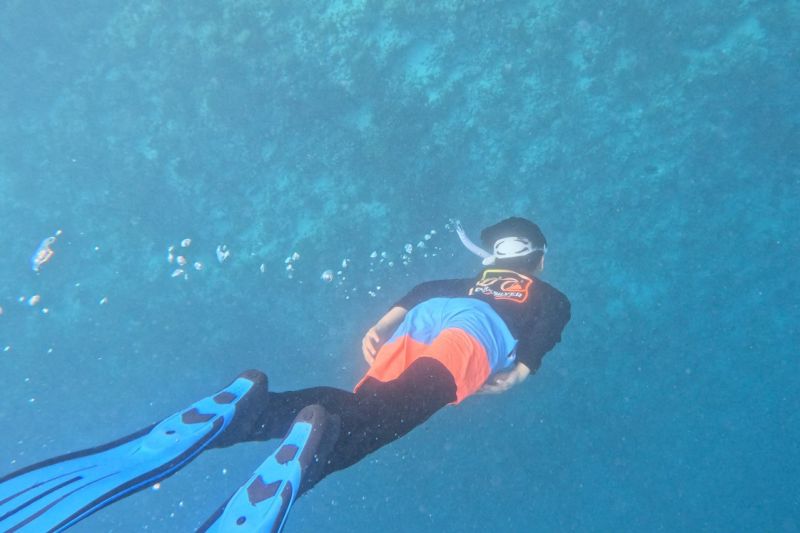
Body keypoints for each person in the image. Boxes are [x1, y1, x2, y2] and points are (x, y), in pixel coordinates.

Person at [0, 217, 570, 532]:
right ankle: (309, 464)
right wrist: (523, 368)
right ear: (538, 261)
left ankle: (251, 415)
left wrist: (382, 323)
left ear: (492, 258)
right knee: (383, 422)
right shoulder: (546, 294)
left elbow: (421, 292)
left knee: (363, 408)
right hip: (474, 336)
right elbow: (548, 325)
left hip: (427, 319)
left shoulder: (464, 281)